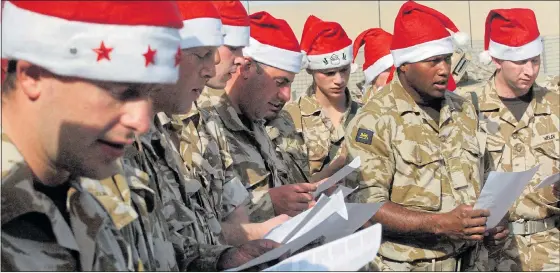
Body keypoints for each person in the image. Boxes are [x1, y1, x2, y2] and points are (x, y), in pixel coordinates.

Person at [1, 1, 183, 270]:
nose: (142, 123)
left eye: (150, 93)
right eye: (122, 92)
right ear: (33, 76)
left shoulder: (91, 197)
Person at [121, 2, 280, 271]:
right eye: (203, 54)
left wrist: (225, 258)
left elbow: (167, 244)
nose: (212, 67)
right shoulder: (117, 138)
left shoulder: (155, 136)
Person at [344, 1, 496, 271]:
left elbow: (484, 179)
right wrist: (439, 223)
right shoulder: (375, 119)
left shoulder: (463, 109)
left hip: (472, 263)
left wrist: (492, 218)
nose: (444, 69)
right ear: (404, 65)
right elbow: (367, 206)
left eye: (446, 58)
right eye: (432, 60)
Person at [171, 0, 289, 245]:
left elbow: (235, 210)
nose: (239, 59)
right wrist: (258, 230)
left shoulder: (208, 122)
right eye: (232, 48)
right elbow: (174, 235)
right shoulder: (164, 125)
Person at [457, 8, 559, 271]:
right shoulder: (467, 107)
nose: (530, 70)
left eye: (535, 61)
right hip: (488, 255)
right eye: (520, 62)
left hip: (549, 250)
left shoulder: (554, 105)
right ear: (498, 59)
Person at [196, 11, 321, 222]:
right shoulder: (203, 123)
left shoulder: (257, 121)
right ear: (246, 68)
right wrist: (269, 204)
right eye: (280, 82)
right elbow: (201, 225)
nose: (286, 96)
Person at [351, 28, 395, 103]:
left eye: (397, 68)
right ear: (373, 76)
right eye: (387, 69)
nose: (393, 74)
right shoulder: (359, 108)